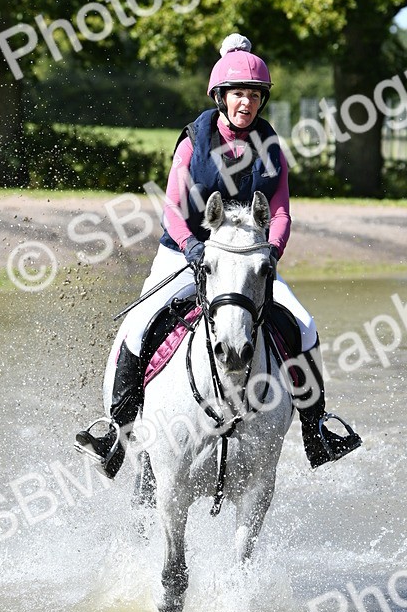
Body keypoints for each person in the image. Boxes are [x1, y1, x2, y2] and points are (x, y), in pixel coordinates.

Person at [75, 33, 361, 478]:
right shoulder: (193, 141)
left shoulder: (271, 148)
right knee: (137, 326)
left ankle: (316, 429)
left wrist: (271, 252)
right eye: (238, 94)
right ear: (221, 96)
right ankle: (116, 431)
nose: (246, 103)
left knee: (303, 324)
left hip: (249, 258)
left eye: (254, 95)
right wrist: (191, 246)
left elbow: (281, 210)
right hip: (185, 255)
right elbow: (171, 207)